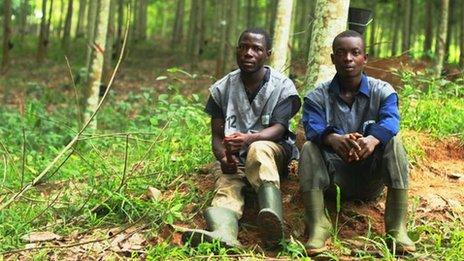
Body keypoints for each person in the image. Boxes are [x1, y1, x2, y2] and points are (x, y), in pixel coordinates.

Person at [182, 28, 301, 249]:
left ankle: (273, 221)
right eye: (243, 47)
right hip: (236, 158)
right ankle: (224, 233)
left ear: (268, 54)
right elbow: (217, 137)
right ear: (237, 51)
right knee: (227, 183)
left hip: (273, 154)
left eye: (256, 49)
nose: (248, 53)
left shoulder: (282, 86)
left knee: (258, 149)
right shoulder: (222, 88)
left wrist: (249, 139)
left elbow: (279, 128)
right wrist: (223, 158)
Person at [298, 30, 416, 255]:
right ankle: (318, 225)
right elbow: (312, 128)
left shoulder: (383, 92)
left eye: (355, 52)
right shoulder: (316, 97)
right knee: (309, 147)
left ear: (365, 57)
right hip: (334, 180)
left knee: (395, 141)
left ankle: (396, 228)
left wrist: (372, 140)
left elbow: (391, 121)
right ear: (333, 58)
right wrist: (334, 139)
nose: (348, 58)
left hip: (372, 178)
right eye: (341, 53)